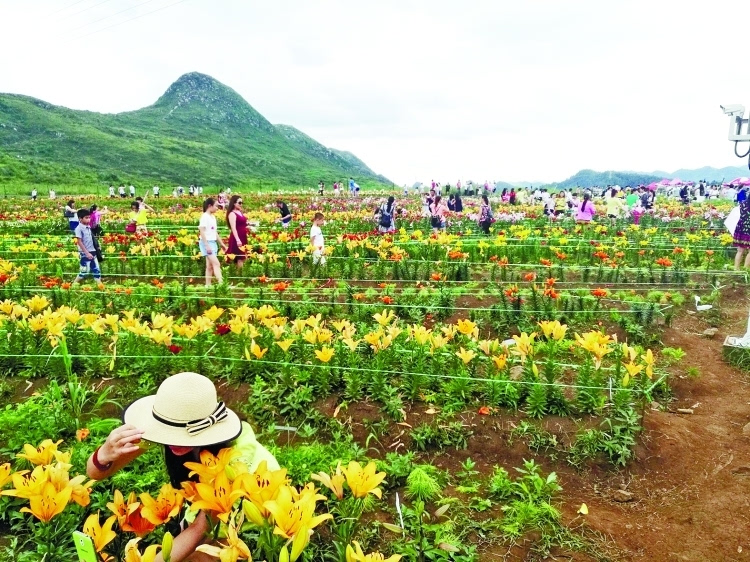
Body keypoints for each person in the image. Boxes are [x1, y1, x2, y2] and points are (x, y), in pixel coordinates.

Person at [87, 372, 278, 562]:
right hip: (202, 516)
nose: (174, 440)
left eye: (181, 434)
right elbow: (94, 473)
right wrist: (103, 455)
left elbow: (202, 530)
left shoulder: (233, 461)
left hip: (257, 528)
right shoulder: (169, 420)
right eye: (170, 432)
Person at [199, 198, 227, 286]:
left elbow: (214, 232)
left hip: (212, 242)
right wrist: (206, 245)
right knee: (216, 263)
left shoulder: (212, 217)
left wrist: (221, 244)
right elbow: (201, 230)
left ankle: (208, 285)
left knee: (210, 266)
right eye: (216, 206)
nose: (217, 208)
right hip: (206, 243)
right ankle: (222, 284)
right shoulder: (204, 216)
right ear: (209, 206)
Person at [73, 209, 102, 285]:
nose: (89, 219)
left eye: (89, 217)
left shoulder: (88, 227)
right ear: (80, 219)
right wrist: (87, 253)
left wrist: (97, 246)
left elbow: (92, 239)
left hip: (93, 251)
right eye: (86, 217)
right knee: (84, 272)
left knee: (96, 270)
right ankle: (73, 285)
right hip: (85, 253)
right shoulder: (78, 228)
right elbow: (79, 242)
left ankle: (100, 286)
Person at [226, 195, 248, 269]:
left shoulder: (239, 212)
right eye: (239, 202)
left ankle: (241, 274)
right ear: (234, 203)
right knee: (240, 257)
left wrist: (250, 224)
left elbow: (242, 223)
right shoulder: (232, 214)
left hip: (243, 236)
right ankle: (240, 275)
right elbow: (233, 228)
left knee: (243, 256)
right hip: (237, 237)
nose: (241, 204)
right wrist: (237, 239)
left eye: (242, 203)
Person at [733, 197, 750, 269]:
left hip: (741, 228)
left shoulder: (742, 204)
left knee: (740, 251)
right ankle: (746, 270)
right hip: (748, 229)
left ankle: (736, 269)